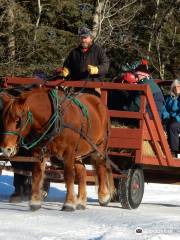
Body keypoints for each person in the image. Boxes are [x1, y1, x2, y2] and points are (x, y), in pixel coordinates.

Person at [161, 79, 180, 157]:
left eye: (178, 86)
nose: (176, 88)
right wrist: (166, 116)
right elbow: (164, 108)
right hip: (170, 118)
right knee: (163, 126)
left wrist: (176, 118)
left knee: (173, 127)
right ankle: (163, 149)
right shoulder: (170, 98)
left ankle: (174, 151)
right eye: (175, 86)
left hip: (177, 119)